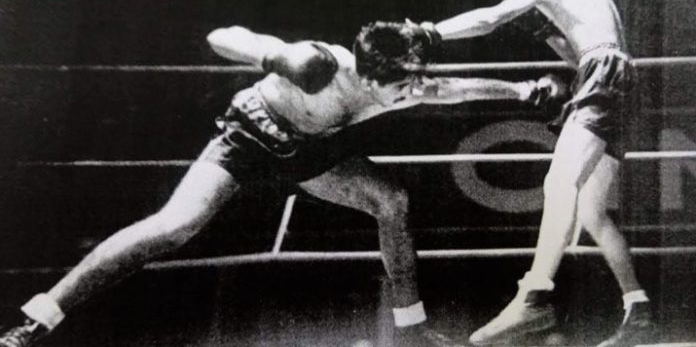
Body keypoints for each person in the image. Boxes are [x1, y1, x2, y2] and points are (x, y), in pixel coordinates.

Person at [0, 21, 563, 347]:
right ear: (369, 78)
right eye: (402, 88)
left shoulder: (402, 80)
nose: (412, 94)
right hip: (249, 139)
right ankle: (40, 316)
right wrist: (275, 55)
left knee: (392, 200)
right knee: (174, 227)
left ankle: (411, 331)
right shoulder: (320, 63)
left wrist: (523, 91)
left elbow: (455, 88)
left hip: (311, 152)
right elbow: (222, 35)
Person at [414, 0, 654, 347]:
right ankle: (638, 310)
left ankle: (534, 299)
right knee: (590, 211)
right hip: (614, 76)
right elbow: (582, 54)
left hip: (606, 75)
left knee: (558, 183)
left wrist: (428, 32)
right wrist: (546, 35)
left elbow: (491, 18)